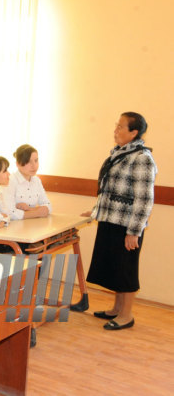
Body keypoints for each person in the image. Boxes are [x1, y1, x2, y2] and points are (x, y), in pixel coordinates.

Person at [81, 112, 157, 329]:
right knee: (114, 267)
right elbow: (107, 189)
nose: (115, 130)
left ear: (134, 132)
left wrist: (134, 231)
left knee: (125, 269)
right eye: (116, 126)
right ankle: (116, 309)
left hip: (126, 225)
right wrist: (96, 211)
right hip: (110, 220)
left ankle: (126, 315)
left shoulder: (142, 158)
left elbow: (144, 199)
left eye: (120, 127)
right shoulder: (120, 154)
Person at [0, 144, 51, 220]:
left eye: (36, 160)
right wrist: (38, 212)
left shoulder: (36, 180)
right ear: (18, 164)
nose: (34, 165)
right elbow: (9, 213)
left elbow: (48, 206)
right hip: (12, 228)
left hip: (30, 225)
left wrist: (29, 209)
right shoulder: (9, 181)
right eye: (28, 162)